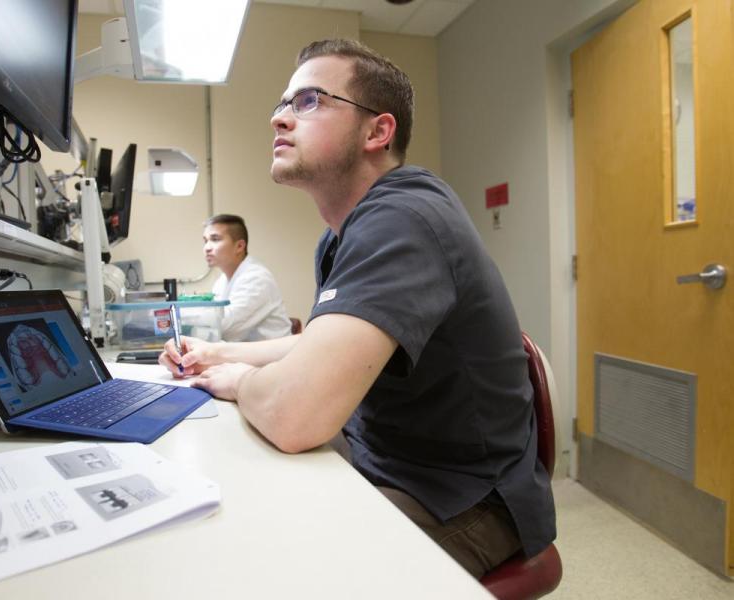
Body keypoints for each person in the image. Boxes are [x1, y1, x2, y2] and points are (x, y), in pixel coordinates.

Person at [160, 39, 556, 578]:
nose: (279, 119)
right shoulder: (340, 236)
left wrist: (231, 380)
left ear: (378, 131)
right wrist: (219, 351)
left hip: (464, 497)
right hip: (386, 459)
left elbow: (294, 415)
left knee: (266, 571)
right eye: (281, 104)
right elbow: (326, 342)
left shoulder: (404, 217)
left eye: (308, 102)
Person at [202, 214, 291, 342]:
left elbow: (224, 327)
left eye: (215, 239)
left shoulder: (257, 278)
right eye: (205, 241)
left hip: (270, 359)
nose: (207, 248)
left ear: (239, 246)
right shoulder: (221, 282)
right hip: (245, 356)